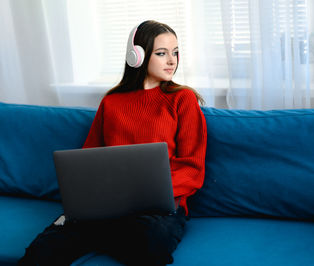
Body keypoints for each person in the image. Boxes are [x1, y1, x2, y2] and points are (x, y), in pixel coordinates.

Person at [18, 20, 207, 266]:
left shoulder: (183, 98)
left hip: (158, 208)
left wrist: (145, 194)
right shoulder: (112, 102)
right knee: (41, 252)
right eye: (162, 53)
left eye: (175, 52)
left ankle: (103, 235)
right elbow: (89, 157)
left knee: (152, 243)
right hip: (108, 205)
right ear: (136, 56)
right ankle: (102, 231)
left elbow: (192, 166)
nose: (172, 60)